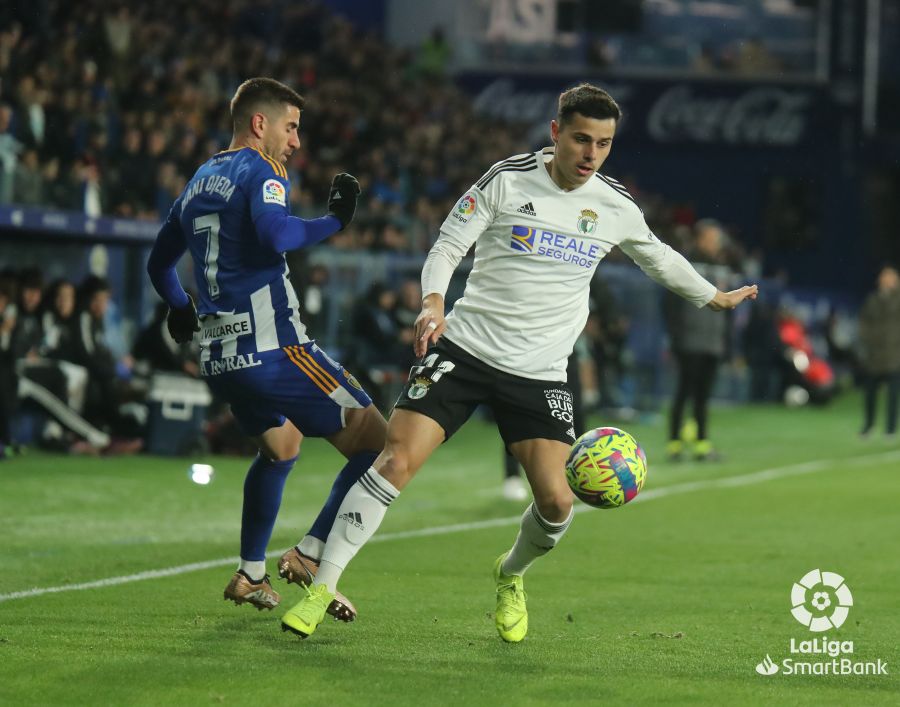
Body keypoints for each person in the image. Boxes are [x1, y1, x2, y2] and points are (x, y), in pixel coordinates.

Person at [282, 83, 758, 642]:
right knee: (394, 461)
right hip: (466, 350)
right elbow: (448, 244)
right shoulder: (506, 180)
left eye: (604, 144)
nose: (591, 154)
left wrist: (711, 296)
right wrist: (433, 302)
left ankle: (510, 575)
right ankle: (322, 585)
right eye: (582, 139)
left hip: (540, 373)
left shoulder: (614, 204)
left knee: (557, 500)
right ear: (556, 133)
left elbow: (656, 254)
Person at [146, 78, 387, 621]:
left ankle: (250, 573)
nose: (296, 142)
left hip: (222, 359)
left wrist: (179, 305)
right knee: (382, 445)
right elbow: (277, 236)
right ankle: (311, 553)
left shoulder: (199, 179)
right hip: (276, 349)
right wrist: (335, 221)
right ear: (260, 124)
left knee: (280, 449)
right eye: (292, 126)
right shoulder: (262, 170)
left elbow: (157, 263)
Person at [663, 219, 734, 461]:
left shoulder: (722, 266)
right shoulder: (686, 263)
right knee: (683, 392)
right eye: (713, 239)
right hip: (688, 341)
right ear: (701, 238)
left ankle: (702, 444)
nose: (717, 244)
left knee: (703, 396)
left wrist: (726, 341)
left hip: (712, 343)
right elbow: (671, 303)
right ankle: (674, 444)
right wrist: (675, 337)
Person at [858, 265, 900, 439]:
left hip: (895, 354)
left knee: (893, 395)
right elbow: (863, 322)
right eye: (885, 277)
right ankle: (868, 426)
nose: (888, 281)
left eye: (891, 278)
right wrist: (867, 340)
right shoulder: (873, 299)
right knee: (870, 393)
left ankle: (890, 429)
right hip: (874, 354)